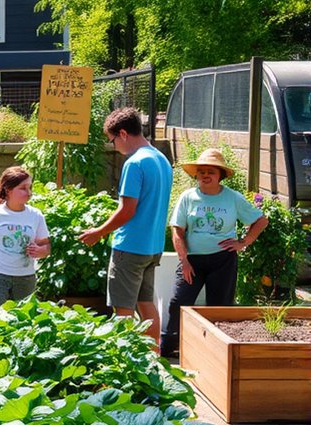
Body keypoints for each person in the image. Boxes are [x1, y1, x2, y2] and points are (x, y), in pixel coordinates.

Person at [160, 149, 268, 357]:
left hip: (223, 260)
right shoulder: (188, 197)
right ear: (196, 175)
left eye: (211, 171)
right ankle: (168, 347)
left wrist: (243, 242)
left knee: (219, 306)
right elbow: (178, 230)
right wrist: (185, 261)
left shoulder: (233, 198)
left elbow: (260, 220)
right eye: (201, 171)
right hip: (192, 261)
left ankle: (216, 352)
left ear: (221, 175)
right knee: (178, 301)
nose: (205, 175)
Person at [79, 108, 172, 345]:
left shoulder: (135, 163)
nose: (114, 146)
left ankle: (125, 365)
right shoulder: (161, 160)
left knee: (123, 311)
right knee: (146, 304)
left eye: (112, 140)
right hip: (152, 247)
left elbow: (127, 211)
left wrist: (99, 232)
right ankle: (154, 360)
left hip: (130, 247)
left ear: (122, 133)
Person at [0, 166, 50, 307]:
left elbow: (46, 246)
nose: (29, 192)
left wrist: (41, 251)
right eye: (23, 188)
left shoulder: (36, 215)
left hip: (26, 278)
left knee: (24, 321)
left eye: (30, 187)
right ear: (8, 190)